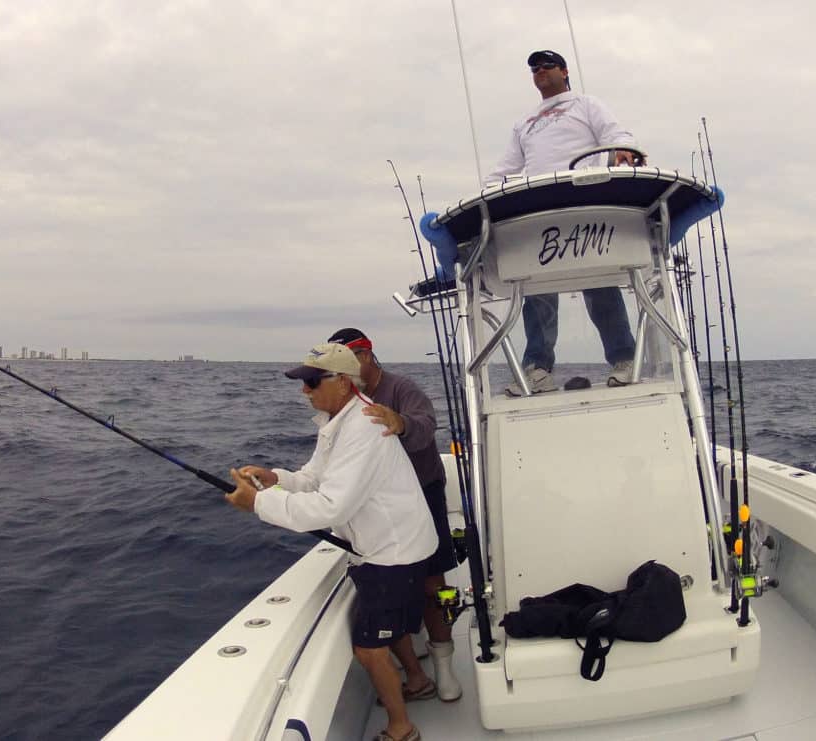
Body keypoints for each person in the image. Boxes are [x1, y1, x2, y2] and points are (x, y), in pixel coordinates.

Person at [226, 342, 435, 741]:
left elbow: (328, 508)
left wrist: (258, 503)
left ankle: (401, 728)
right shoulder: (338, 418)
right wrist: (277, 479)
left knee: (370, 649)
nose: (304, 390)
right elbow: (315, 477)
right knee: (392, 628)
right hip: (384, 548)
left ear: (341, 382)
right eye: (302, 382)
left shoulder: (363, 428)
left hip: (393, 553)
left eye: (311, 381)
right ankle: (419, 680)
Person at [484, 49, 642, 395]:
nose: (540, 71)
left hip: (585, 205)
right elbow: (505, 169)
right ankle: (537, 369)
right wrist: (485, 194)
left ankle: (625, 359)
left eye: (546, 65)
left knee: (601, 283)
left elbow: (617, 135)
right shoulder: (523, 123)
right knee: (537, 290)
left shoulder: (586, 104)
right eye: (534, 68)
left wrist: (625, 151)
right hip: (540, 212)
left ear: (564, 71)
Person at [327, 327, 462, 703]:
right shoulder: (342, 399)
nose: (343, 371)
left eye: (348, 360)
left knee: (433, 583)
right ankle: (417, 673)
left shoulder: (402, 389)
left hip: (423, 495)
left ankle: (446, 670)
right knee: (387, 585)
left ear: (367, 356)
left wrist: (399, 422)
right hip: (377, 508)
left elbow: (425, 427)